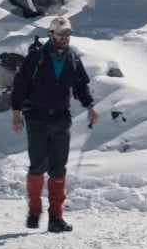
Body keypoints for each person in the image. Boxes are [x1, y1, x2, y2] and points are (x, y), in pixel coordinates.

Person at [10, 16, 99, 232]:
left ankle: (56, 218)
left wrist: (89, 107)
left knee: (58, 168)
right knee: (38, 165)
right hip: (36, 117)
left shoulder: (73, 58)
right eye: (61, 35)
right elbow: (20, 85)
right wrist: (16, 114)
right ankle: (34, 211)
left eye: (68, 34)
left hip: (61, 118)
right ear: (51, 35)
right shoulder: (36, 57)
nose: (65, 39)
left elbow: (81, 86)